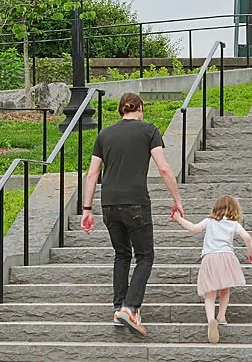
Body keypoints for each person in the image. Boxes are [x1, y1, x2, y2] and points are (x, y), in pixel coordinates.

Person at [78, 92, 185, 337]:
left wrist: (87, 209)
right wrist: (177, 200)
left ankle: (118, 309)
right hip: (136, 203)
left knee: (122, 254)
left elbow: (93, 173)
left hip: (109, 204)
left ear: (121, 110)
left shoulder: (104, 134)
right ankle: (130, 307)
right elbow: (165, 168)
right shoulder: (149, 131)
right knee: (145, 256)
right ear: (139, 107)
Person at [183, 193, 252, 344]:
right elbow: (247, 237)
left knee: (210, 293)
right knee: (225, 288)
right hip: (227, 257)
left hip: (210, 258)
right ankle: (221, 317)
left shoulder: (209, 221)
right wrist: (250, 253)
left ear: (216, 208)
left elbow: (193, 228)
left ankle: (211, 319)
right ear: (234, 209)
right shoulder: (234, 224)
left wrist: (178, 218)